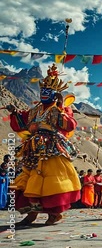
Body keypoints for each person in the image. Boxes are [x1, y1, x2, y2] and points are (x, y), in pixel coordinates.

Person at [5, 64, 81, 225]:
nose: (44, 94)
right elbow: (22, 122)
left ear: (55, 95)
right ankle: (31, 213)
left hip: (52, 148)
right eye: (42, 92)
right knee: (30, 178)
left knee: (51, 181)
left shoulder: (60, 109)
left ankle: (53, 213)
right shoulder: (35, 110)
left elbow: (69, 125)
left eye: (48, 92)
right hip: (33, 148)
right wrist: (14, 112)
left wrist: (60, 108)